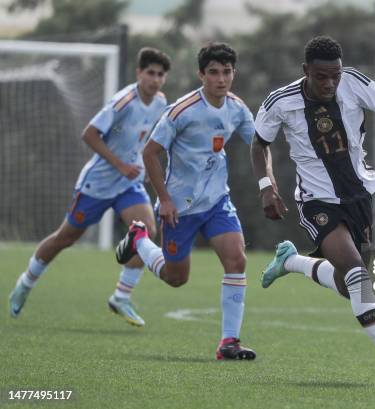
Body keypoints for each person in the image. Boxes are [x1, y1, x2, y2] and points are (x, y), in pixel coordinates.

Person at [250, 36, 375, 385]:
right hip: (316, 200)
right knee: (358, 274)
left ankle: (292, 262)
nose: (330, 83)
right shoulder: (280, 101)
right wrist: (267, 187)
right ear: (305, 71)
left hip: (359, 196)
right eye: (321, 76)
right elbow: (259, 143)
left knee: (349, 284)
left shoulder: (354, 82)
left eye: (335, 75)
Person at [8, 47, 171, 327]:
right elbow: (90, 134)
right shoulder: (123, 101)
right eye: (150, 73)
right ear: (139, 73)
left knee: (146, 230)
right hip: (97, 184)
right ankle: (26, 282)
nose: (155, 79)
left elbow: (146, 137)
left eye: (160, 74)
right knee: (65, 238)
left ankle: (121, 296)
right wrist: (121, 164)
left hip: (127, 184)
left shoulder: (160, 102)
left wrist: (140, 166)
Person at [115, 42, 256, 360]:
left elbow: (258, 142)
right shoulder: (182, 110)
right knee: (176, 278)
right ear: (201, 75)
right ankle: (139, 239)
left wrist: (268, 180)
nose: (221, 79)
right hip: (179, 207)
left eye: (227, 72)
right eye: (214, 72)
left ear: (234, 73)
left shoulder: (237, 108)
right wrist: (163, 199)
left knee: (237, 260)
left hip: (218, 200)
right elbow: (150, 152)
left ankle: (229, 343)